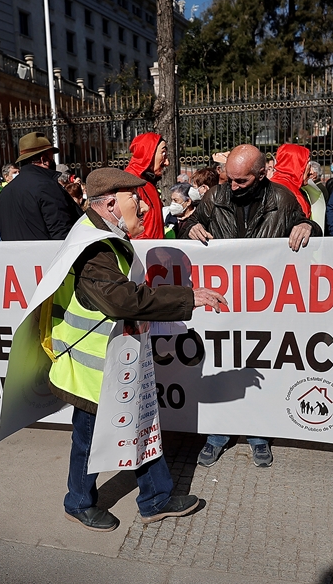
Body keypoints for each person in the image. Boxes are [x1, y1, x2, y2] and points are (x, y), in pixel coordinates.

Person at [47, 167, 228, 531]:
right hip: (91, 369)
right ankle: (79, 502)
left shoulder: (104, 234)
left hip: (114, 361)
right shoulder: (93, 246)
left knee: (142, 425)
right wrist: (188, 296)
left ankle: (155, 498)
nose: (145, 210)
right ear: (111, 202)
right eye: (137, 201)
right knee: (90, 438)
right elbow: (120, 300)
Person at [182, 144, 321, 469]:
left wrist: (308, 227)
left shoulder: (283, 200)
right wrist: (190, 228)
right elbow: (188, 226)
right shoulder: (214, 198)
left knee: (260, 370)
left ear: (262, 175)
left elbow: (307, 229)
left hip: (265, 308)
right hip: (223, 305)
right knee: (223, 366)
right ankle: (218, 434)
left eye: (241, 181)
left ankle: (259, 434)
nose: (232, 187)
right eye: (229, 179)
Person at [0, 132, 81, 241]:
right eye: (51, 156)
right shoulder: (48, 187)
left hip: (14, 256)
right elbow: (62, 233)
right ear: (44, 160)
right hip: (46, 256)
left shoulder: (5, 192)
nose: (52, 161)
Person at [124, 132, 169, 240]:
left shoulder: (147, 183)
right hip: (142, 253)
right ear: (148, 153)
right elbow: (128, 230)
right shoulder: (128, 183)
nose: (167, 162)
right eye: (163, 153)